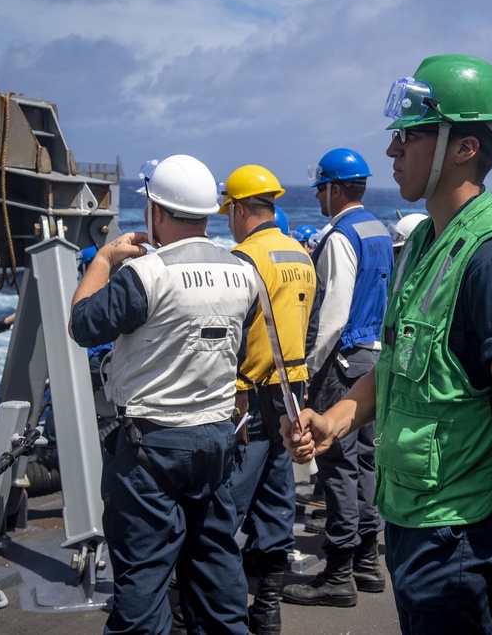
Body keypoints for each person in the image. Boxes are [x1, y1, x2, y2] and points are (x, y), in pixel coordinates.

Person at [283, 54, 492, 634]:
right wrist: (334, 420)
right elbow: (401, 370)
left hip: (466, 538)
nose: (392, 151)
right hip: (413, 527)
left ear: (465, 148)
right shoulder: (429, 243)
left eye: (409, 135)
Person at [69, 154, 258, 634]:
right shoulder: (243, 272)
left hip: (150, 447)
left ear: (156, 212)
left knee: (143, 584)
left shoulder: (146, 274)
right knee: (216, 572)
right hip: (216, 441)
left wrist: (105, 259)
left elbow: (83, 323)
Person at [283, 148, 393, 608]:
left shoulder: (340, 236)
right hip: (372, 358)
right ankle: (368, 563)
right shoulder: (379, 230)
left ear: (333, 188)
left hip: (342, 361)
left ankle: (339, 573)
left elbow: (332, 314)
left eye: (320, 187)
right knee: (364, 463)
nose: (317, 196)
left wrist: (307, 369)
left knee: (338, 468)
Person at [220, 164, 316, 634]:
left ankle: (223, 612)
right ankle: (268, 611)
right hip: (290, 398)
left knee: (228, 507)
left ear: (239, 210)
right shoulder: (300, 253)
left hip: (247, 400)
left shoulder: (243, 258)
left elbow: (230, 338)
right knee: (277, 503)